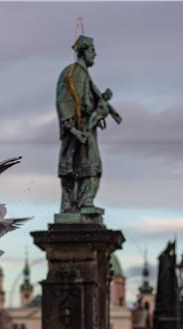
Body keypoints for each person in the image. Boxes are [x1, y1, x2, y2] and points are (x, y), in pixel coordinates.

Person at [55, 34, 120, 213]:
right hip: (79, 132)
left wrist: (100, 108)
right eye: (92, 50)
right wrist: (73, 129)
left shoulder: (83, 75)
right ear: (83, 51)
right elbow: (64, 101)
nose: (95, 54)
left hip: (87, 129)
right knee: (85, 167)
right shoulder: (72, 73)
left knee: (89, 167)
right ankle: (81, 204)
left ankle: (82, 203)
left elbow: (88, 104)